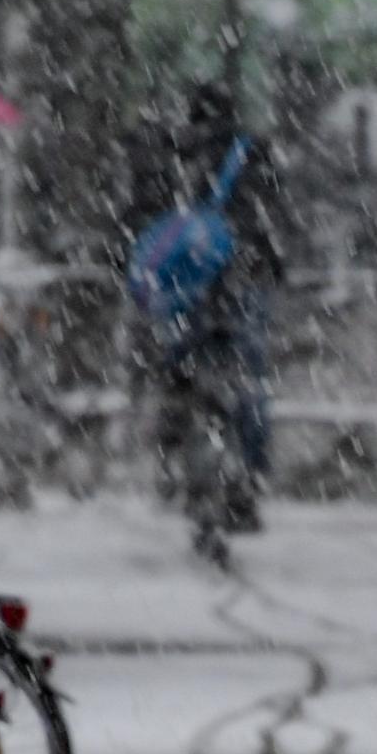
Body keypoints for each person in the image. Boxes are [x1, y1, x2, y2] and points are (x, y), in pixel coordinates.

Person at [126, 81, 289, 544]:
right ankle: (252, 475)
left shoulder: (174, 156)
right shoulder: (250, 154)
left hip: (186, 289)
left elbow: (146, 225)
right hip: (241, 281)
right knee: (250, 380)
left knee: (172, 365)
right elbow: (272, 218)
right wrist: (271, 262)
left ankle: (170, 449)